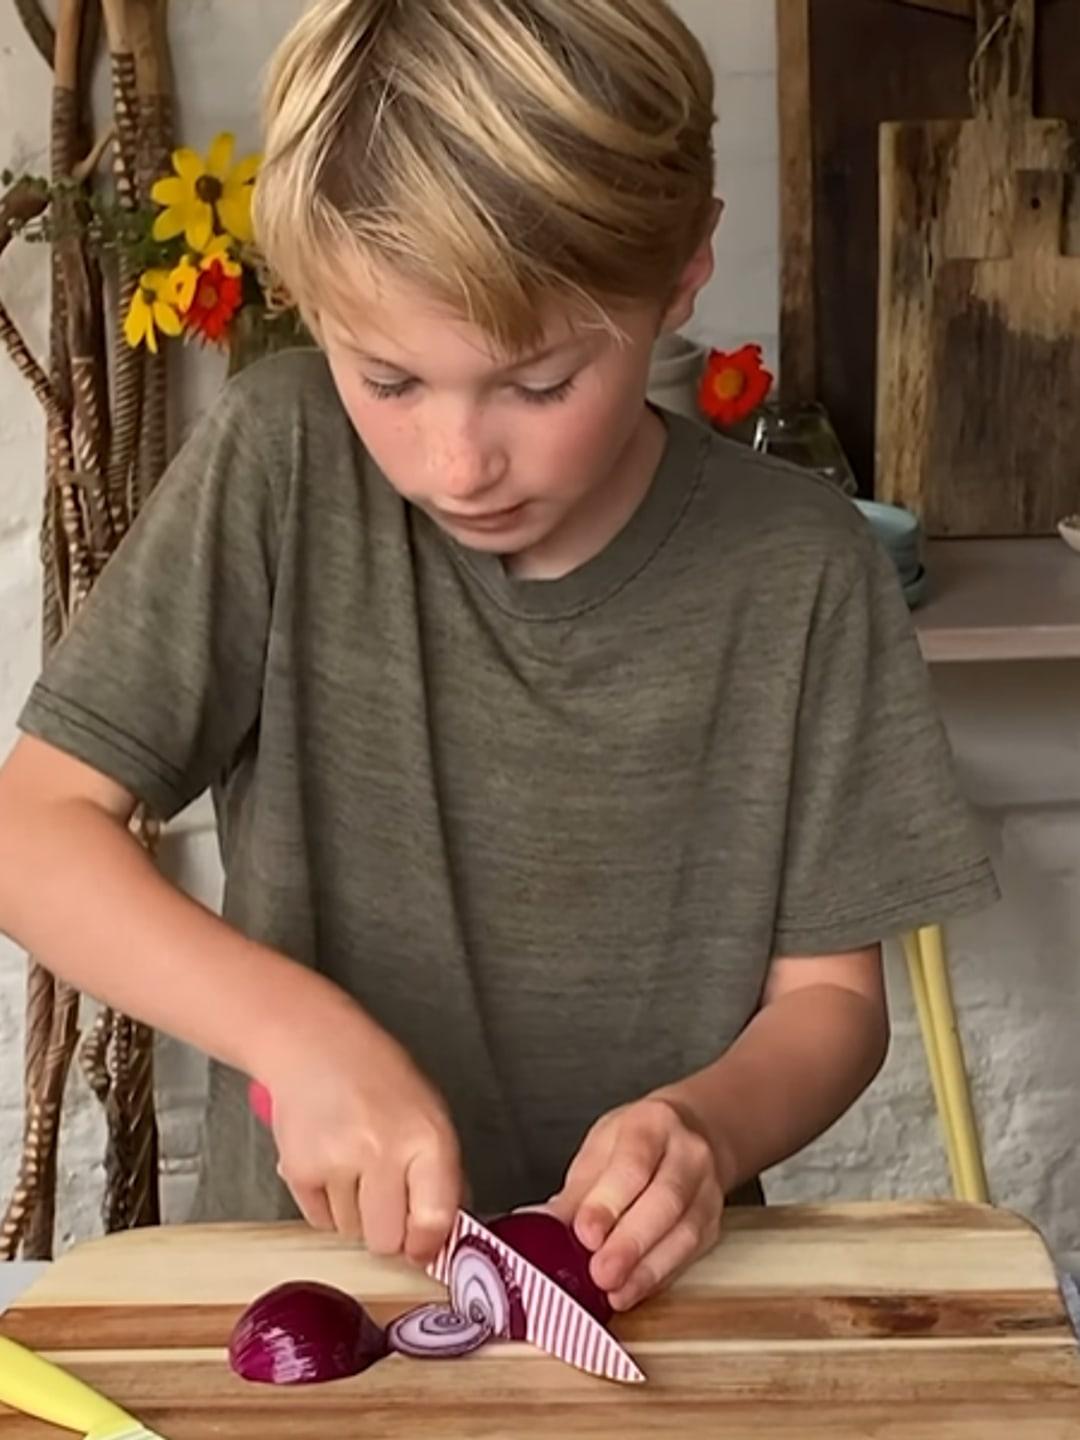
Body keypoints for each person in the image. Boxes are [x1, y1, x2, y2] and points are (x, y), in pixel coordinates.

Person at [0, 0, 998, 1315]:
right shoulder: (281, 460)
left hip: (659, 1303)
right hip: (318, 1284)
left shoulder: (801, 567)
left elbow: (831, 1006)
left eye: (537, 386)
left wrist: (709, 1129)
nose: (457, 462)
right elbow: (37, 829)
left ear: (683, 270)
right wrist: (296, 1036)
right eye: (389, 379)